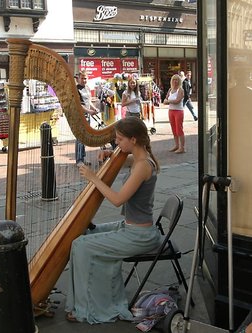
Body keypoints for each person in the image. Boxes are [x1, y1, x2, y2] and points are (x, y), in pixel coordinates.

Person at [65, 116, 162, 324]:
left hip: (139, 235)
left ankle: (89, 308)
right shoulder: (140, 158)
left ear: (133, 140)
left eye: (119, 139)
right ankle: (101, 297)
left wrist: (93, 177)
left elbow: (117, 200)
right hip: (131, 228)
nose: (116, 143)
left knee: (80, 245)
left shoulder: (143, 166)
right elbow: (130, 162)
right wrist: (110, 154)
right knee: (87, 233)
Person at [75, 70, 99, 165]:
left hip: (87, 115)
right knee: (80, 137)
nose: (84, 80)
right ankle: (79, 160)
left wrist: (94, 108)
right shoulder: (76, 89)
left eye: (85, 78)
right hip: (80, 116)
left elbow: (88, 102)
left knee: (84, 138)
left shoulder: (87, 88)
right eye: (82, 78)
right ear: (78, 79)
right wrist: (89, 111)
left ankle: (83, 158)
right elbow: (79, 105)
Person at [164, 74, 186, 154]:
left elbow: (177, 101)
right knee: (174, 129)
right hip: (171, 111)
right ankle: (176, 145)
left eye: (177, 80)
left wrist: (168, 101)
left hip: (178, 111)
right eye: (174, 80)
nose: (175, 81)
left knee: (179, 129)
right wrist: (167, 101)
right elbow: (164, 100)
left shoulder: (180, 90)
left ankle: (182, 147)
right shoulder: (170, 90)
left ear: (179, 81)